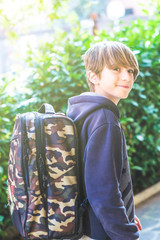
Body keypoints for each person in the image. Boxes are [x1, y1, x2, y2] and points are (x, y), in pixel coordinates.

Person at [67, 41, 142, 240]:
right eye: (116, 69)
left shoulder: (84, 112)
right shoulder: (105, 120)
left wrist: (125, 216)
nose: (127, 76)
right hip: (103, 232)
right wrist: (125, 232)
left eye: (131, 70)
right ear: (94, 76)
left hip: (88, 227)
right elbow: (103, 190)